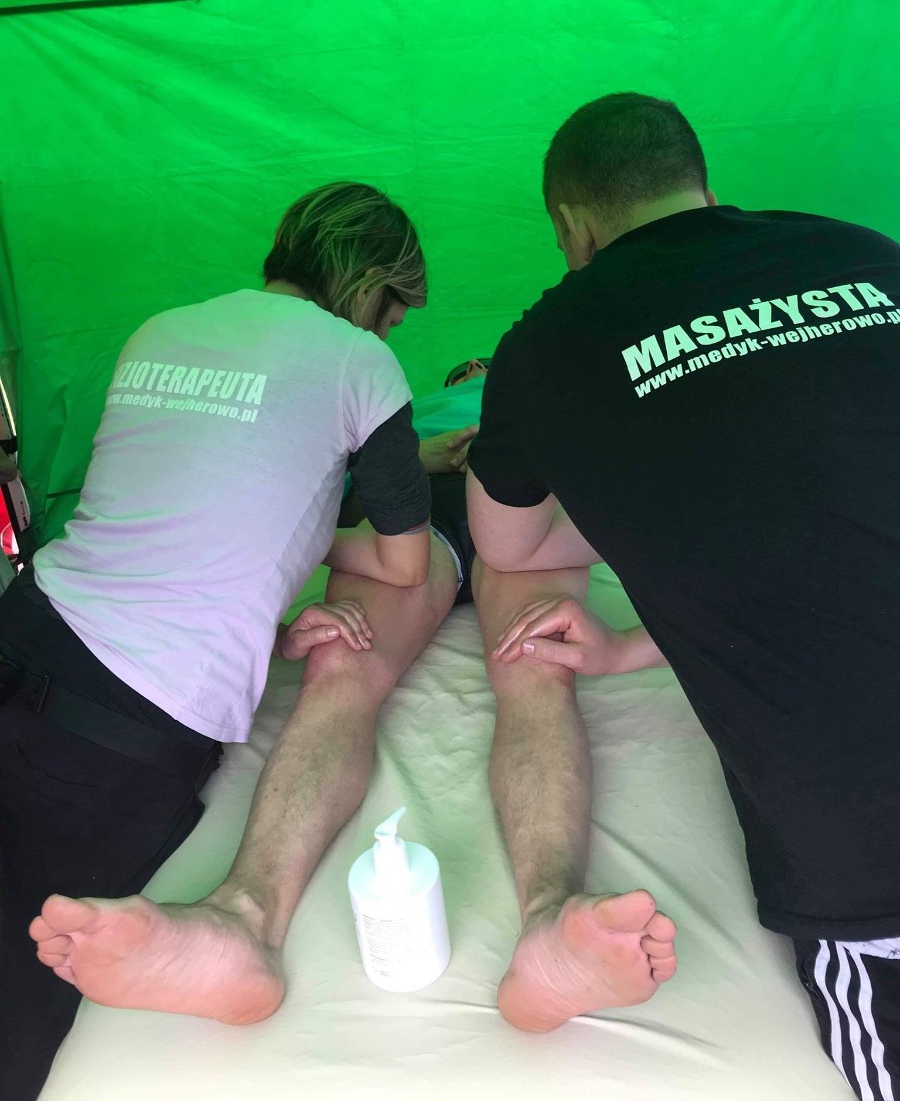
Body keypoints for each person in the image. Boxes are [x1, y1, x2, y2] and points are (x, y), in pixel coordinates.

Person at [27, 354, 676, 1050]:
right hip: (410, 530)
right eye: (471, 367)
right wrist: (420, 457)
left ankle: (551, 918)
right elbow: (297, 493)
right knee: (341, 662)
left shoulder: (539, 397)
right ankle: (242, 919)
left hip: (530, 528)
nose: (480, 368)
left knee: (540, 664)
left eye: (488, 364)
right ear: (455, 376)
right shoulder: (410, 413)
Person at [467, 92, 900, 1093]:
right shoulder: (865, 252)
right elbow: (835, 514)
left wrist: (637, 498)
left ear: (571, 226)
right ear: (702, 183)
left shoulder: (549, 340)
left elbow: (508, 545)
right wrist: (631, 644)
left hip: (869, 844)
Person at [0, 181, 435, 1101]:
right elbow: (403, 565)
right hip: (124, 720)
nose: (390, 333)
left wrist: (263, 616)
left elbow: (165, 517)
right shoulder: (361, 362)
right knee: (20, 979)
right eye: (394, 315)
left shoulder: (158, 329)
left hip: (25, 623)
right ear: (371, 289)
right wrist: (310, 536)